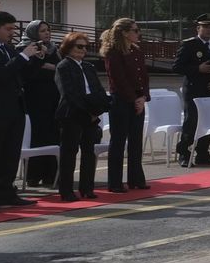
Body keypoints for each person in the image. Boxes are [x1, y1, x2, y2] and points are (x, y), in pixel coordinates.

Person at [0, 11, 40, 209]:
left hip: (14, 109)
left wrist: (35, 58)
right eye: (8, 29)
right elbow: (1, 75)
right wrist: (22, 56)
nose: (12, 32)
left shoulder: (7, 49)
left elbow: (22, 74)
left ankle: (6, 194)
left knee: (10, 154)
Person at [53, 32, 108, 201]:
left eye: (86, 46)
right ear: (68, 47)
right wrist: (87, 112)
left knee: (89, 152)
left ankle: (87, 188)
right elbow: (70, 94)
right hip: (72, 115)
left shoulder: (88, 67)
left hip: (91, 115)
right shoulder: (63, 66)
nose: (83, 50)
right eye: (79, 46)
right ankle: (66, 191)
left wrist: (97, 110)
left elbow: (98, 90)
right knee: (69, 153)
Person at [101, 17, 150, 192]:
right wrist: (134, 99)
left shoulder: (137, 51)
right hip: (121, 101)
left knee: (136, 141)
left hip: (137, 100)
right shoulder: (113, 52)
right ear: (124, 33)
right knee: (119, 141)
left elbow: (143, 77)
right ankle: (115, 182)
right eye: (135, 30)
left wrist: (143, 97)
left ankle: (136, 178)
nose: (138, 34)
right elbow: (118, 79)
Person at [172, 15, 210, 169]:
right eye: (206, 26)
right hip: (194, 90)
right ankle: (184, 152)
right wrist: (197, 69)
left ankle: (203, 153)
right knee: (192, 122)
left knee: (208, 122)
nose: (209, 30)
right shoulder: (189, 45)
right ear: (198, 28)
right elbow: (177, 67)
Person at [18, 20, 60, 184]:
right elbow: (30, 71)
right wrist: (47, 66)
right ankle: (33, 175)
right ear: (33, 33)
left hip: (53, 99)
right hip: (34, 100)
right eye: (42, 31)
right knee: (36, 136)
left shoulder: (53, 49)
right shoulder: (24, 49)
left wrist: (46, 65)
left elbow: (59, 67)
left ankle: (51, 175)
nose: (47, 33)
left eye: (48, 30)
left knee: (52, 135)